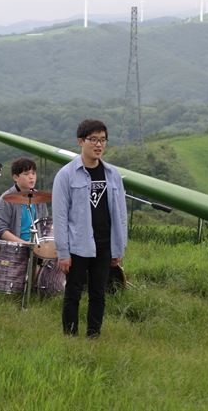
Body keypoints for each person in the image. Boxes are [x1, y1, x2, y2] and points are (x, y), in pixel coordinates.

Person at [52, 119, 128, 338]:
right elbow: (60, 216)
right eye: (93, 139)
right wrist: (63, 252)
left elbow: (121, 214)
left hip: (104, 245)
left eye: (103, 140)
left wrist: (119, 248)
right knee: (73, 293)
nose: (99, 145)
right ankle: (70, 337)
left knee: (98, 294)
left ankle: (93, 337)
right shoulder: (66, 175)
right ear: (80, 141)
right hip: (78, 245)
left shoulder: (112, 175)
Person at [0, 157, 49, 243]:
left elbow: (45, 225)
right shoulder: (6, 199)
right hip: (15, 249)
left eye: (33, 173)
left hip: (37, 246)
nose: (31, 177)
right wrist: (25, 244)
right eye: (26, 174)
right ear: (15, 177)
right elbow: (1, 230)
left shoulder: (40, 198)